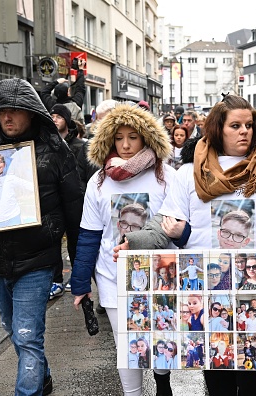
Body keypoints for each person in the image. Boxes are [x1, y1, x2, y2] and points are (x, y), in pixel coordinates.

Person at [117, 94, 256, 395]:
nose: (244, 131)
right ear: (217, 129)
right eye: (235, 125)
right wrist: (134, 243)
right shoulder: (189, 173)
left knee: (253, 378)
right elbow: (162, 225)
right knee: (217, 377)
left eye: (249, 124)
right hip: (210, 291)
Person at [0, 78, 83, 396]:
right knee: (14, 330)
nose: (8, 117)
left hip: (36, 260)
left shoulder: (54, 151)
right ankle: (43, 376)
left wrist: (80, 268)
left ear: (32, 113)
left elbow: (75, 209)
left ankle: (28, 390)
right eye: (2, 110)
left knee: (26, 334)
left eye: (16, 111)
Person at [69, 103, 175, 396]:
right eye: (119, 138)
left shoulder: (165, 176)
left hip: (158, 274)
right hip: (112, 274)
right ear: (109, 140)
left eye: (133, 137)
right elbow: (89, 234)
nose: (126, 145)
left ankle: (163, 379)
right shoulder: (99, 181)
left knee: (160, 335)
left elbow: (176, 224)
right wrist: (80, 282)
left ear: (146, 138)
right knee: (126, 342)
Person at [40, 57, 86, 124]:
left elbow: (44, 92)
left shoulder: (52, 105)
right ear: (68, 93)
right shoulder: (76, 103)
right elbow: (80, 88)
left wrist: (56, 82)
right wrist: (81, 70)